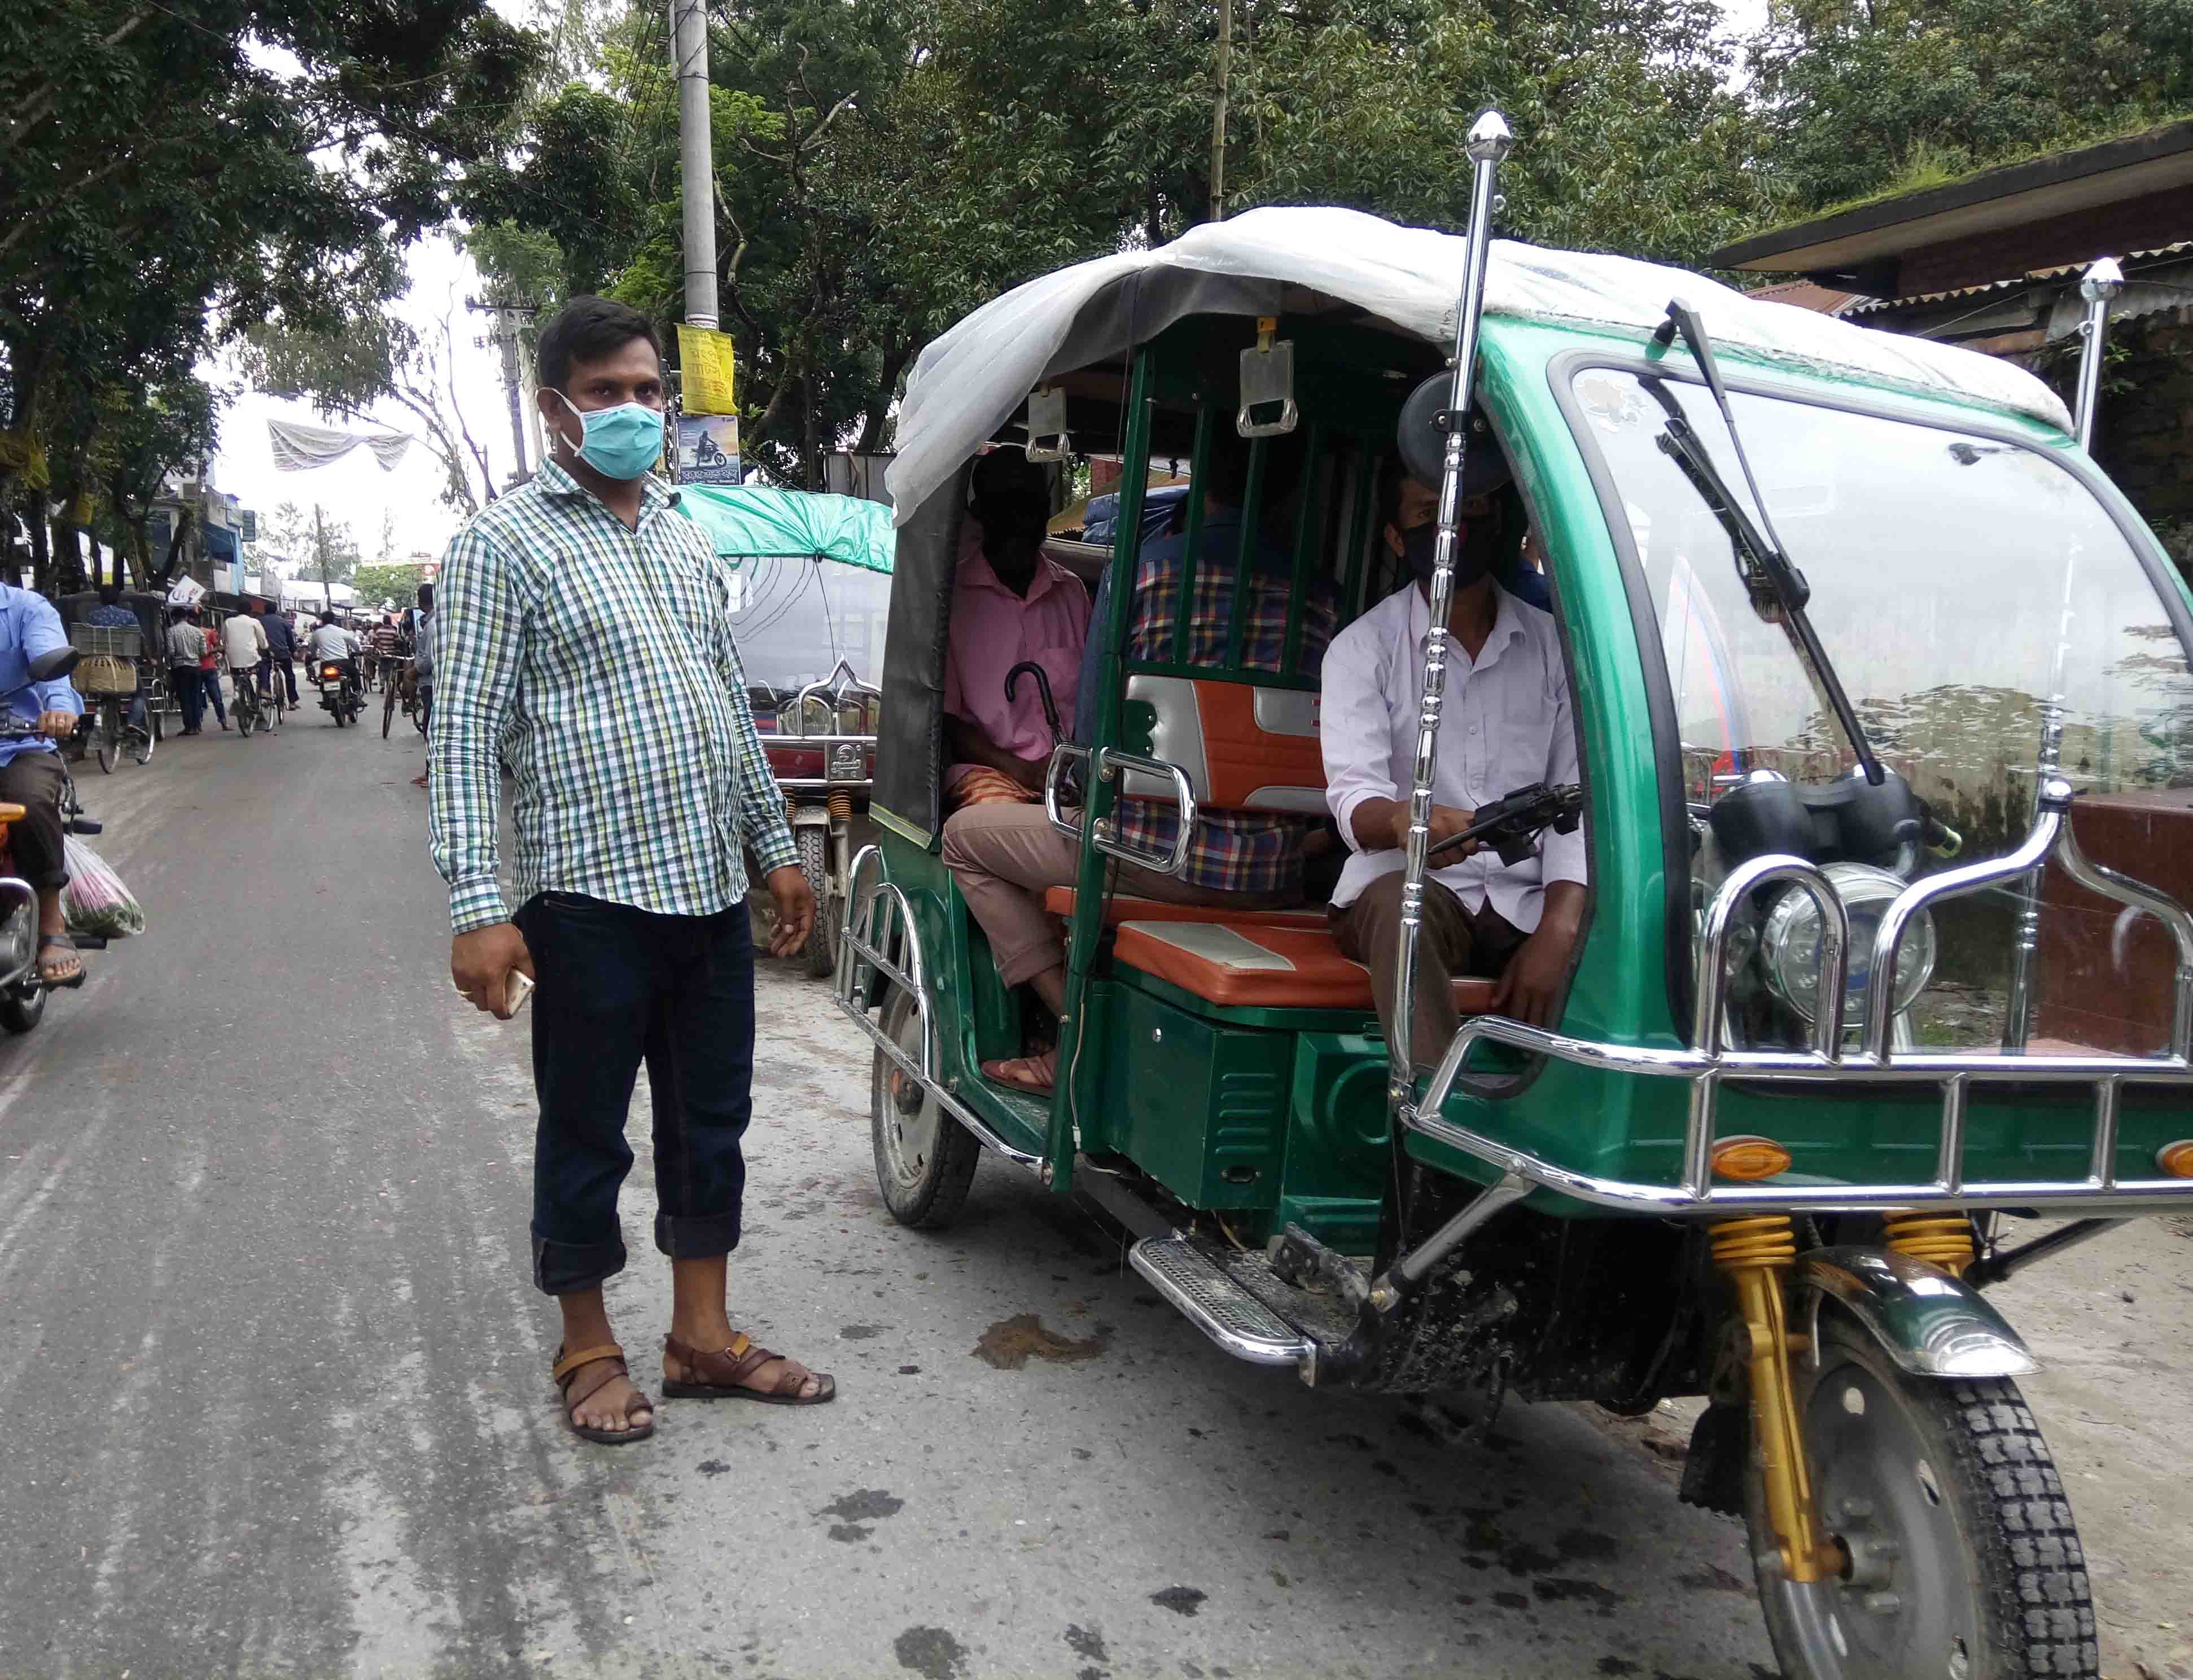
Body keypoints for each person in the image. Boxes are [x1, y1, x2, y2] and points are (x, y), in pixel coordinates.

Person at [430, 293, 833, 1447]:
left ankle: (702, 1338)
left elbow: (720, 702)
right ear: (555, 407)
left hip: (706, 893)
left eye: (651, 390)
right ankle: (587, 1345)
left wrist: (774, 847)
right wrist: (477, 909)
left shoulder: (681, 531)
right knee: (587, 1129)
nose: (636, 410)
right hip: (586, 900)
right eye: (607, 392)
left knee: (712, 1123)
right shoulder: (502, 544)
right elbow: (462, 737)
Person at [942, 433, 1338, 1093]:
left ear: (1196, 479)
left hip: (1161, 857)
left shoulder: (1143, 572)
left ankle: (1075, 1028)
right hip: (1278, 868)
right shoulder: (1324, 594)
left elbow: (1097, 741)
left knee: (962, 842)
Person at [1320, 461, 1586, 1068]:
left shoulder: (1558, 650)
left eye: (1467, 509)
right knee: (1400, 904)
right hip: (1421, 894)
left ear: (1492, 520)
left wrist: (1560, 929)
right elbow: (1354, 802)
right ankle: (1431, 1128)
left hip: (1531, 901)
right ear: (1395, 539)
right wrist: (1413, 824)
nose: (1452, 526)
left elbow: (1580, 802)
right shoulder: (1361, 650)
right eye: (1426, 513)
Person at [940, 449, 1091, 809]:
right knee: (1006, 826)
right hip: (992, 771)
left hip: (1071, 771)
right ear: (982, 515)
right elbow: (948, 724)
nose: (1021, 521)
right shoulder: (953, 601)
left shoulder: (1071, 593)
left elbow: (1097, 697)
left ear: (1045, 511)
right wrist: (1022, 771)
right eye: (1006, 508)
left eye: (1031, 506)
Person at [0, 585, 86, 983]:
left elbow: (53, 668)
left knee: (30, 802)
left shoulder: (26, 610)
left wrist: (59, 710)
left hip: (21, 742)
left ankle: (52, 923)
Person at [83, 583, 151, 738]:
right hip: (124, 664)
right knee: (138, 694)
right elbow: (140, 639)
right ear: (118, 599)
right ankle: (132, 723)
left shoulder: (92, 616)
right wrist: (149, 659)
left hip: (99, 664)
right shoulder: (128, 616)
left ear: (101, 600)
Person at [221, 602, 269, 712]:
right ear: (250, 612)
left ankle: (243, 695)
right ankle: (263, 689)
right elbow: (263, 643)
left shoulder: (228, 622)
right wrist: (265, 647)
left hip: (233, 662)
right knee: (263, 667)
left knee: (241, 676)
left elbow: (223, 640)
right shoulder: (254, 622)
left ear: (237, 611)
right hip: (251, 659)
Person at [167, 606, 208, 734]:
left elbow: (171, 652)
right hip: (196, 667)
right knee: (196, 696)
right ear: (186, 617)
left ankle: (189, 727)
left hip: (180, 668)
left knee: (184, 698)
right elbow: (203, 652)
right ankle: (197, 725)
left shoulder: (171, 631)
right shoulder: (198, 632)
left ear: (174, 618)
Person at [257, 600, 300, 707]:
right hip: (283, 654)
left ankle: (266, 696)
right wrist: (294, 651)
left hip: (265, 654)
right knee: (290, 676)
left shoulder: (259, 621)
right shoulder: (284, 621)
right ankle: (292, 702)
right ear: (276, 610)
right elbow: (290, 639)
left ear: (264, 611)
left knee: (264, 674)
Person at [306, 614, 360, 694]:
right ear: (334, 620)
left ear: (322, 621)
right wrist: (358, 651)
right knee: (355, 674)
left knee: (323, 680)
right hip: (343, 662)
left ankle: (326, 697)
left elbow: (312, 649)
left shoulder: (317, 633)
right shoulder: (341, 631)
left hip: (326, 664)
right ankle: (357, 694)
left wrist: (314, 656)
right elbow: (355, 645)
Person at [194, 609, 227, 730]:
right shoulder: (209, 632)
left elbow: (219, 647)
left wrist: (208, 652)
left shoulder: (199, 632)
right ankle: (223, 722)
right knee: (216, 697)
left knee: (197, 697)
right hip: (208, 668)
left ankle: (199, 724)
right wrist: (210, 652)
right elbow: (219, 648)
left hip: (197, 669)